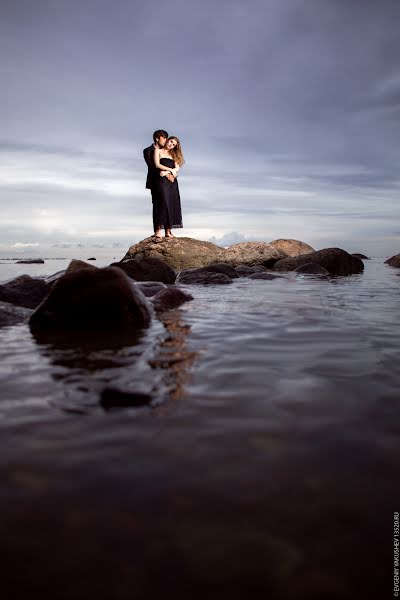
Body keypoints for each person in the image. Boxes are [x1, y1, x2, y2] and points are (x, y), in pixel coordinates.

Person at [143, 130, 176, 238]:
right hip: (155, 181)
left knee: (168, 204)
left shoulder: (168, 152)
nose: (166, 140)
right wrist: (167, 174)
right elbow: (152, 166)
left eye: (167, 138)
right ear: (157, 138)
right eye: (164, 138)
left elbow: (175, 165)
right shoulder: (148, 150)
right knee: (158, 204)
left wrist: (171, 174)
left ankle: (168, 230)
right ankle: (157, 230)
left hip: (168, 181)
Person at [152, 136, 185, 239]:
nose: (171, 145)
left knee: (171, 203)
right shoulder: (158, 151)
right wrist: (170, 170)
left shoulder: (173, 155)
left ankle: (168, 231)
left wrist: (168, 172)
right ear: (167, 140)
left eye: (174, 144)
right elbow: (157, 165)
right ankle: (158, 230)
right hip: (161, 182)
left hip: (172, 182)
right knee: (162, 203)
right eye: (171, 141)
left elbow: (177, 169)